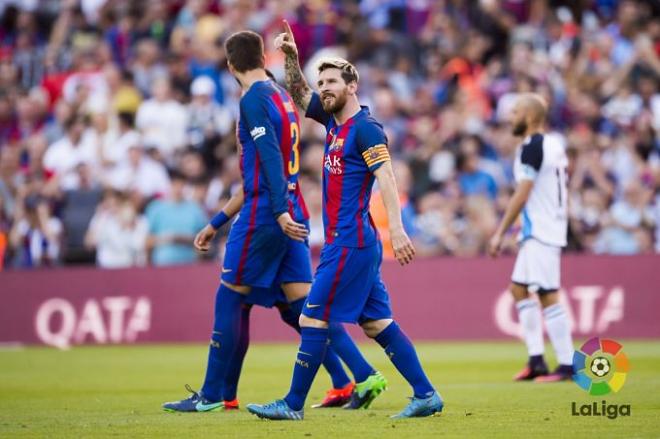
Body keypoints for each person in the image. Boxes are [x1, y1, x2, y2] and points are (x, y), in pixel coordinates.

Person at [163, 30, 383, 413]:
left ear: (231, 65)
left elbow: (266, 161)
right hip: (290, 205)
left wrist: (276, 211)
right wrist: (218, 220)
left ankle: (213, 395)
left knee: (232, 297)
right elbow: (267, 168)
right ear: (262, 57)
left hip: (268, 213)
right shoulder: (280, 95)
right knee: (300, 306)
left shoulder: (252, 100)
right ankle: (358, 376)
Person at [246, 22, 443, 420]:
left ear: (352, 85)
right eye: (323, 82)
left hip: (350, 241)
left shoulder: (365, 129)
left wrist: (399, 230)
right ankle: (426, 395)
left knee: (312, 317)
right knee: (376, 324)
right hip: (354, 241)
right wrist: (291, 57)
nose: (325, 88)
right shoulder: (335, 122)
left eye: (333, 80)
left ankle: (292, 404)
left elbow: (387, 178)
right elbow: (300, 94)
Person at [488, 93, 574, 382]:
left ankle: (566, 364)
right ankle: (536, 360)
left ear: (531, 116)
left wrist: (500, 232)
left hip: (542, 231)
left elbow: (523, 193)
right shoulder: (553, 143)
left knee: (548, 294)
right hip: (542, 227)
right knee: (518, 289)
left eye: (515, 113)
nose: (510, 118)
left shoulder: (532, 146)